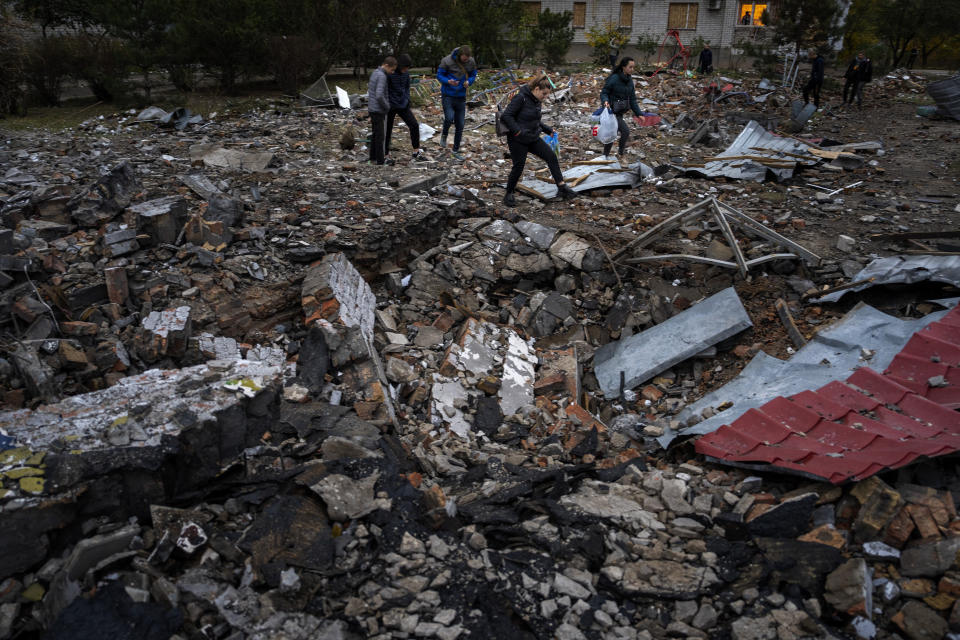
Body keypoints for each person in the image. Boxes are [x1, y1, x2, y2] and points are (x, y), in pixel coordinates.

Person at [500, 75, 576, 207]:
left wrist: (548, 130)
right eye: (544, 93)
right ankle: (509, 193)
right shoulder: (521, 97)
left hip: (532, 137)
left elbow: (535, 120)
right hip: (517, 139)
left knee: (551, 157)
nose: (545, 96)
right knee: (519, 166)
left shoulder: (536, 100)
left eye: (547, 94)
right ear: (536, 89)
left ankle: (562, 187)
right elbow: (507, 115)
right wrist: (518, 131)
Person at [437, 45, 477, 159]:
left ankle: (455, 150)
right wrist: (448, 81)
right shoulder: (447, 61)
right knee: (449, 118)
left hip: (461, 96)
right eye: (464, 59)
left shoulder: (471, 62)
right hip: (448, 95)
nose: (466, 61)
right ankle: (444, 134)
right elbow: (439, 75)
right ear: (460, 55)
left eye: (467, 59)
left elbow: (474, 74)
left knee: (460, 124)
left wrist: (469, 82)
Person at [599, 57, 643, 158]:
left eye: (633, 67)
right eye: (630, 67)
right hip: (611, 112)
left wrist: (639, 114)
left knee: (612, 134)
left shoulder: (629, 80)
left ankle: (606, 156)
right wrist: (605, 101)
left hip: (620, 111)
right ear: (623, 67)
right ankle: (620, 154)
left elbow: (632, 99)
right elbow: (604, 92)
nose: (632, 69)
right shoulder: (614, 78)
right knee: (625, 131)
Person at [386, 53, 424, 162]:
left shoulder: (406, 74)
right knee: (387, 130)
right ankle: (385, 153)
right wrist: (390, 102)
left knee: (414, 125)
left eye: (408, 68)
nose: (406, 69)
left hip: (403, 104)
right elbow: (386, 90)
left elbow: (407, 88)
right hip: (391, 106)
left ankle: (416, 150)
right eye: (405, 67)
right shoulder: (390, 74)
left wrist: (406, 99)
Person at [367, 56, 397, 165]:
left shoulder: (375, 72)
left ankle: (373, 157)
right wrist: (387, 106)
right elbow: (379, 95)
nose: (392, 72)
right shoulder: (382, 76)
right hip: (378, 109)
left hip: (372, 108)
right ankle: (380, 160)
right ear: (387, 66)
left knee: (375, 134)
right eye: (392, 70)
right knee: (380, 136)